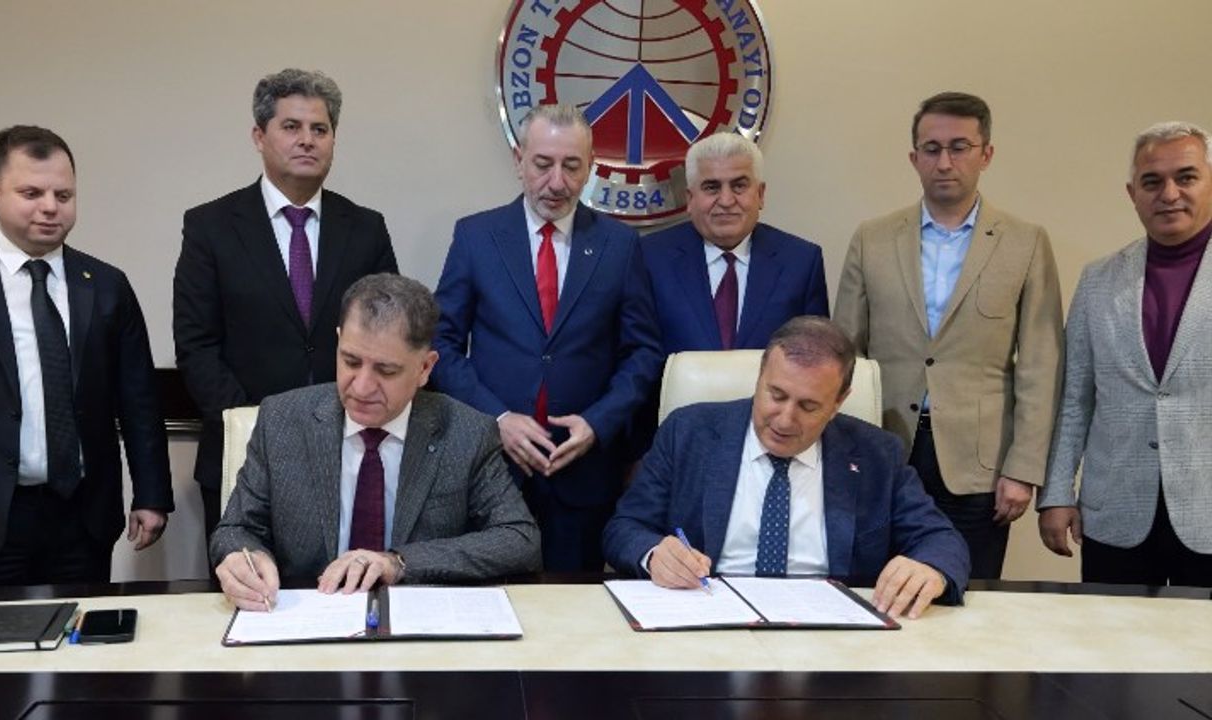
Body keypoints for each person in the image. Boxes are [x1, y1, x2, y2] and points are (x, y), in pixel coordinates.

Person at [832, 91, 1064, 579]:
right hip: (885, 449)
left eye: (959, 147)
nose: (944, 162)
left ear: (986, 154)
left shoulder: (1025, 242)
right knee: (880, 588)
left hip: (979, 465)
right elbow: (845, 355)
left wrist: (1023, 467)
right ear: (913, 157)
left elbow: (1041, 366)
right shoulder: (872, 238)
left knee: (969, 593)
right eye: (932, 149)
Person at [0, 126, 173, 586]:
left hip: (82, 517)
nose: (50, 207)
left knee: (81, 630)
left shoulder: (106, 285)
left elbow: (139, 400)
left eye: (63, 195)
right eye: (31, 193)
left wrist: (151, 494)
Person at [211, 274, 540, 610]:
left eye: (386, 371)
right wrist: (242, 557)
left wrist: (398, 562)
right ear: (338, 342)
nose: (362, 387)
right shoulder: (282, 421)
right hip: (307, 616)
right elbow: (236, 528)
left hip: (418, 621)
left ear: (425, 368)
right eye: (351, 362)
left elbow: (519, 539)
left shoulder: (466, 432)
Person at [603, 317, 969, 619]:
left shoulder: (876, 453)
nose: (784, 419)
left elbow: (942, 541)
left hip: (830, 634)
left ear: (839, 402)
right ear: (760, 377)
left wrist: (930, 568)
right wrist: (654, 554)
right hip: (712, 616)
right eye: (776, 395)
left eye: (808, 406)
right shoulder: (689, 432)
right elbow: (625, 527)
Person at [431, 104, 663, 572]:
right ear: (519, 161)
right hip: (492, 466)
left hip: (582, 472)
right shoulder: (476, 237)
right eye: (543, 164)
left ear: (590, 167)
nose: (556, 182)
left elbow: (643, 352)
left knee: (575, 608)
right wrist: (496, 418)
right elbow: (441, 345)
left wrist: (597, 423)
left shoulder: (619, 245)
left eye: (571, 166)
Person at [175, 68, 398, 540]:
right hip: (243, 450)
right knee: (248, 581)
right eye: (291, 127)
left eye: (320, 129)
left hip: (349, 452)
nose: (307, 140)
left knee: (345, 583)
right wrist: (258, 427)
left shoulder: (365, 228)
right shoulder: (211, 226)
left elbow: (388, 337)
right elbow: (196, 345)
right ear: (259, 136)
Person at [1039, 121, 1212, 586]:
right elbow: (1075, 398)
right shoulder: (1098, 280)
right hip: (1116, 513)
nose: (1169, 194)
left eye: (1186, 177)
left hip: (1206, 513)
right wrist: (1056, 492)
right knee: (1110, 633)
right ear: (1133, 194)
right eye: (1152, 182)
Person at [643, 132, 828, 355]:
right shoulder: (650, 259)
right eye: (711, 187)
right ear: (690, 199)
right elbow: (640, 351)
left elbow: (814, 358)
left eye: (739, 186)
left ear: (760, 194)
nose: (726, 201)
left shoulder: (801, 262)